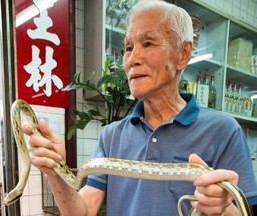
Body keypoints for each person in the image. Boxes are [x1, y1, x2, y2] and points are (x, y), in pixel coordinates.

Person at [24, 0, 257, 215]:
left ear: (182, 55)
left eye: (148, 43)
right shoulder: (112, 136)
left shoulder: (224, 131)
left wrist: (223, 207)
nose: (132, 58)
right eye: (128, 47)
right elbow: (82, 212)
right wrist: (55, 171)